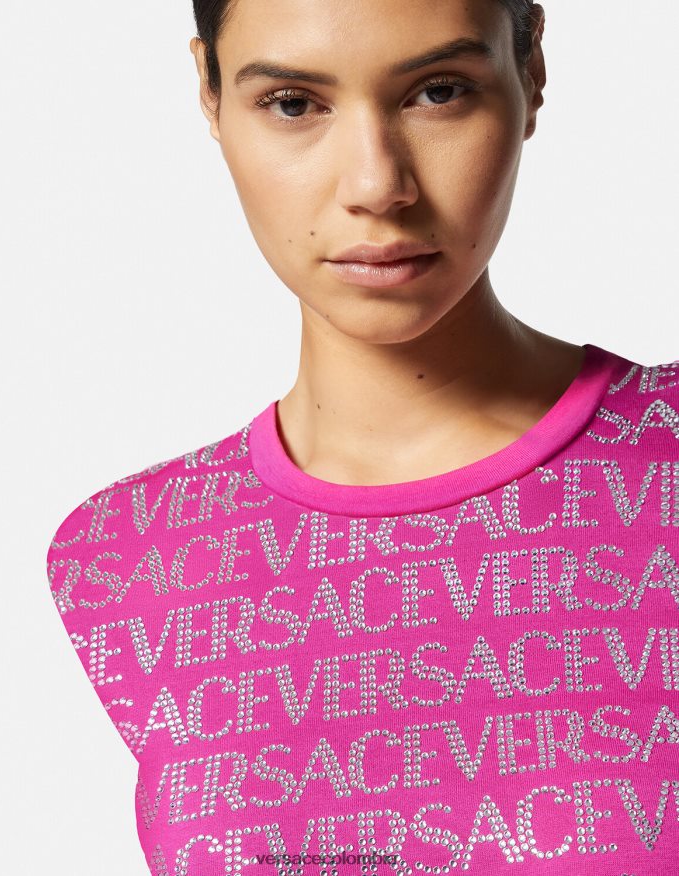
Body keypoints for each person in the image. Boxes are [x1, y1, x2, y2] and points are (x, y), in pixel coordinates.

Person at [45, 1, 679, 874]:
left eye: (438, 91)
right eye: (293, 104)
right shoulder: (129, 555)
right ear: (210, 94)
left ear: (530, 70)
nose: (377, 186)